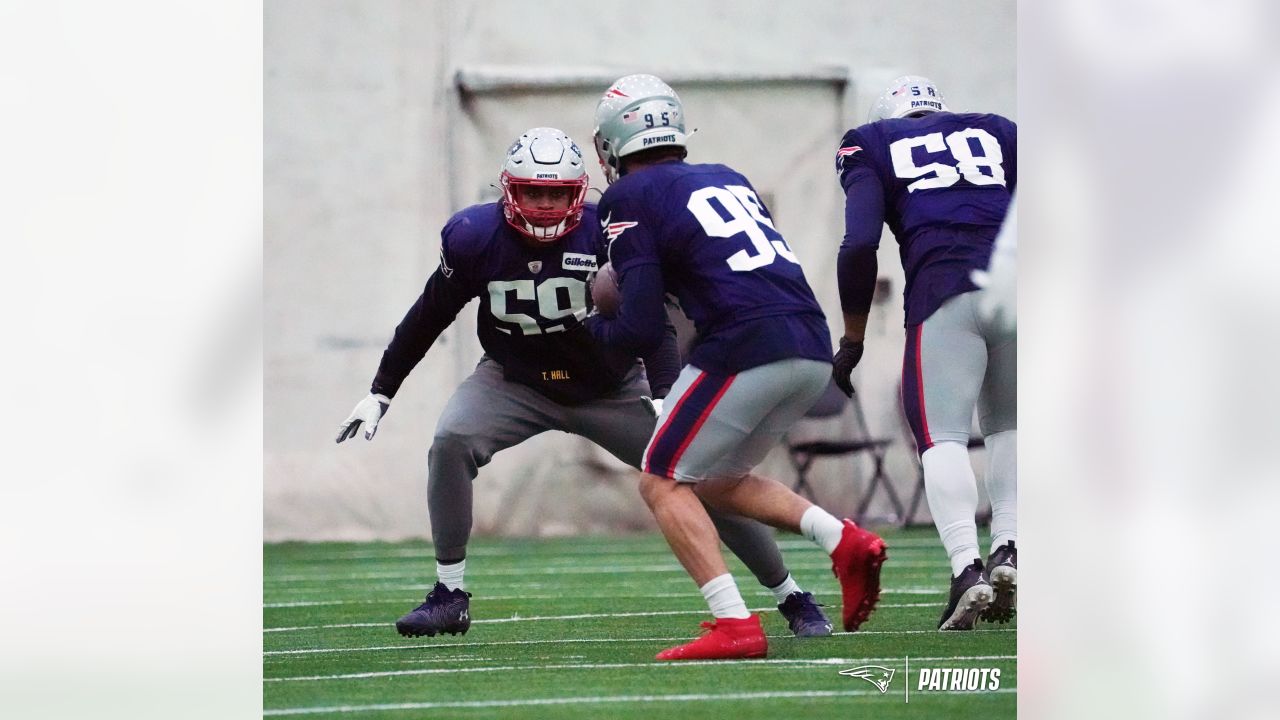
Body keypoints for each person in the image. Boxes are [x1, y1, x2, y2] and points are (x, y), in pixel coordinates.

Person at [336, 127, 834, 640]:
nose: (547, 205)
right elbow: (428, 315)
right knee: (450, 442)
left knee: (700, 479)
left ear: (580, 192)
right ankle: (449, 594)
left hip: (611, 384)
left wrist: (665, 394)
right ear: (508, 189)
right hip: (515, 379)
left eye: (558, 193)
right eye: (534, 191)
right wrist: (381, 390)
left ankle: (792, 595)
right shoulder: (472, 237)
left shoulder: (606, 227)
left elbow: (653, 317)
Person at [585, 75, 888, 661]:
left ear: (612, 143)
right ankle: (842, 540)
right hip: (807, 341)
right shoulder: (727, 175)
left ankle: (735, 624)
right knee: (719, 481)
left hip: (745, 342)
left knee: (661, 480)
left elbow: (643, 327)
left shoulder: (627, 198)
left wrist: (592, 323)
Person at [830, 76, 1017, 630]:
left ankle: (968, 568)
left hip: (944, 289)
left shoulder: (869, 141)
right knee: (1011, 428)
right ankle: (1010, 547)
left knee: (941, 436)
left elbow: (860, 244)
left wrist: (854, 337)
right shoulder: (999, 130)